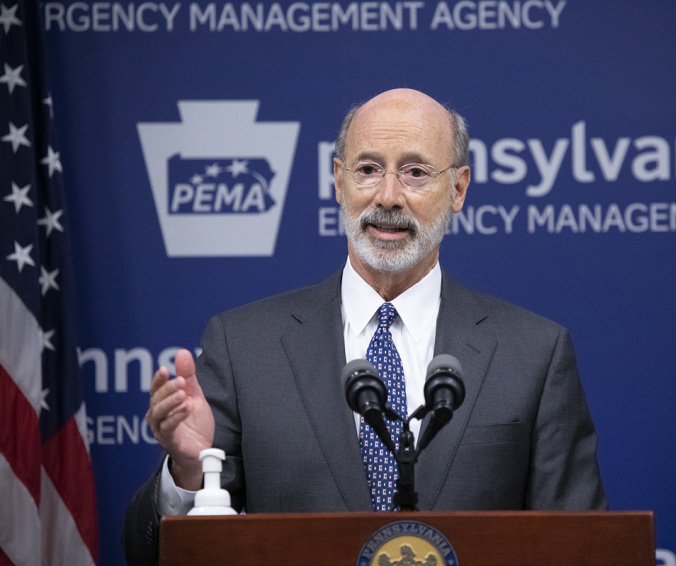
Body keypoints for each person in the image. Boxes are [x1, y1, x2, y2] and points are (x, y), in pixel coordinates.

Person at [122, 88, 606, 565]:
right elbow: (149, 554)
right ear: (338, 180)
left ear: (457, 189)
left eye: (415, 172)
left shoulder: (535, 354)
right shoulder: (245, 347)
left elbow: (582, 550)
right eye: (368, 169)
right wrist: (187, 473)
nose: (388, 196)